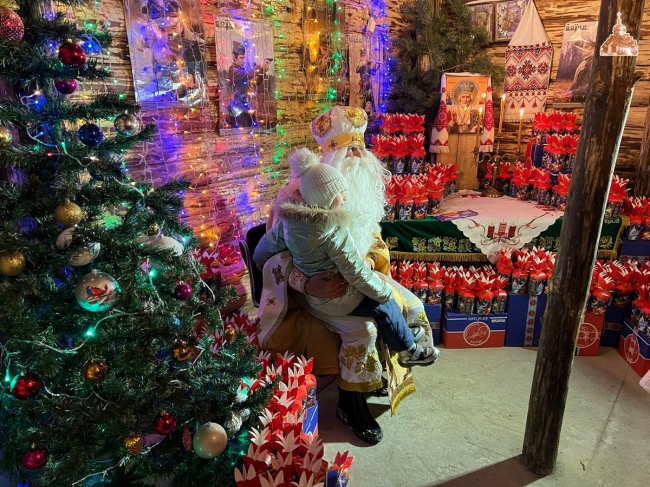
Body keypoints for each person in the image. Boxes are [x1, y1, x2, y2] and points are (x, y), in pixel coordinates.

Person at [258, 106, 437, 444]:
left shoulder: (361, 190)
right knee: (364, 328)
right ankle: (351, 404)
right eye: (346, 149)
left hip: (357, 277)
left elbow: (375, 238)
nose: (356, 156)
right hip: (312, 294)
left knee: (411, 303)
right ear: (327, 156)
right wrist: (306, 283)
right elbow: (273, 259)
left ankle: (383, 370)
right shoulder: (295, 196)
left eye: (359, 147)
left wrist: (369, 259)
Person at [254, 154, 439, 367]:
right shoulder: (333, 231)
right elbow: (356, 272)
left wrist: (258, 259)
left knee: (386, 303)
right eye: (341, 193)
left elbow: (266, 245)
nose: (345, 198)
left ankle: (402, 332)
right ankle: (408, 350)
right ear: (327, 197)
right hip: (339, 297)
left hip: (319, 298)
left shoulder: (289, 223)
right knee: (384, 304)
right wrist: (383, 292)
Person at [226, 41, 271, 127]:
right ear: (234, 57)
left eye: (244, 58)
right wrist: (260, 67)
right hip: (237, 109)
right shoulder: (232, 70)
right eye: (241, 58)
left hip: (245, 106)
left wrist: (262, 70)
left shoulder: (242, 70)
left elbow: (257, 83)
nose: (243, 61)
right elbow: (246, 75)